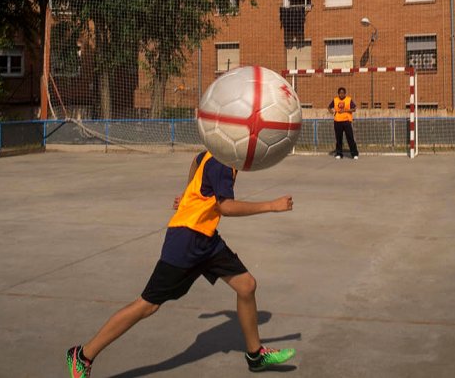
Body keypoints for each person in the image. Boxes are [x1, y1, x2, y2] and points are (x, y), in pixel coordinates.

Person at [66, 150, 296, 377]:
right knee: (148, 304)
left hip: (206, 239)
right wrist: (271, 206)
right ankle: (83, 355)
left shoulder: (213, 153)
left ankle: (255, 356)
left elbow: (195, 161)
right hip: (186, 241)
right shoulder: (223, 161)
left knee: (246, 285)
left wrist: (187, 196)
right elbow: (226, 207)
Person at [328, 86, 360, 160]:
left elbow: (354, 109)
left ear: (345, 93)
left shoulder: (349, 100)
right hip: (337, 121)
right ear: (338, 94)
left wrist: (346, 110)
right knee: (338, 138)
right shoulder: (335, 100)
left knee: (350, 138)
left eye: (343, 93)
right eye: (340, 93)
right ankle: (339, 153)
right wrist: (331, 112)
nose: (341, 94)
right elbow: (329, 107)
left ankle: (354, 153)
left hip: (346, 121)